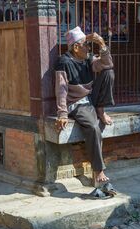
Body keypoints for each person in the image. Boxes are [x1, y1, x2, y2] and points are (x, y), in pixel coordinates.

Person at [55, 26, 115, 188]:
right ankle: (98, 171)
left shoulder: (88, 59)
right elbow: (61, 89)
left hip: (90, 100)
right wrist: (62, 113)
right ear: (76, 47)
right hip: (77, 104)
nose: (89, 48)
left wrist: (101, 43)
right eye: (86, 45)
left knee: (109, 72)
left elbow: (107, 64)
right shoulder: (64, 62)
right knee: (94, 127)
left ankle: (100, 110)